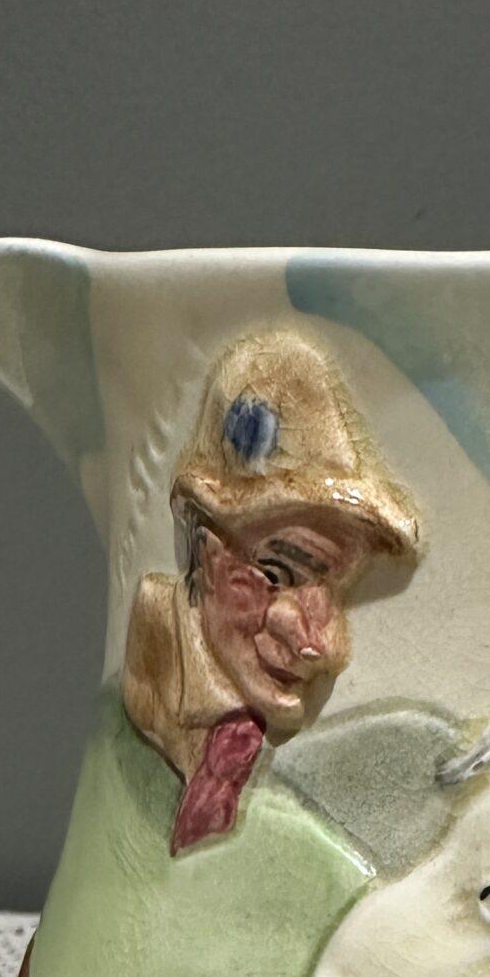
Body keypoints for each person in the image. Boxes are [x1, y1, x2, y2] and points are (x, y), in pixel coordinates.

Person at [122, 329, 420, 854]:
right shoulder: (143, 695)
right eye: (277, 574)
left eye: (337, 590)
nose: (324, 647)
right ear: (203, 548)